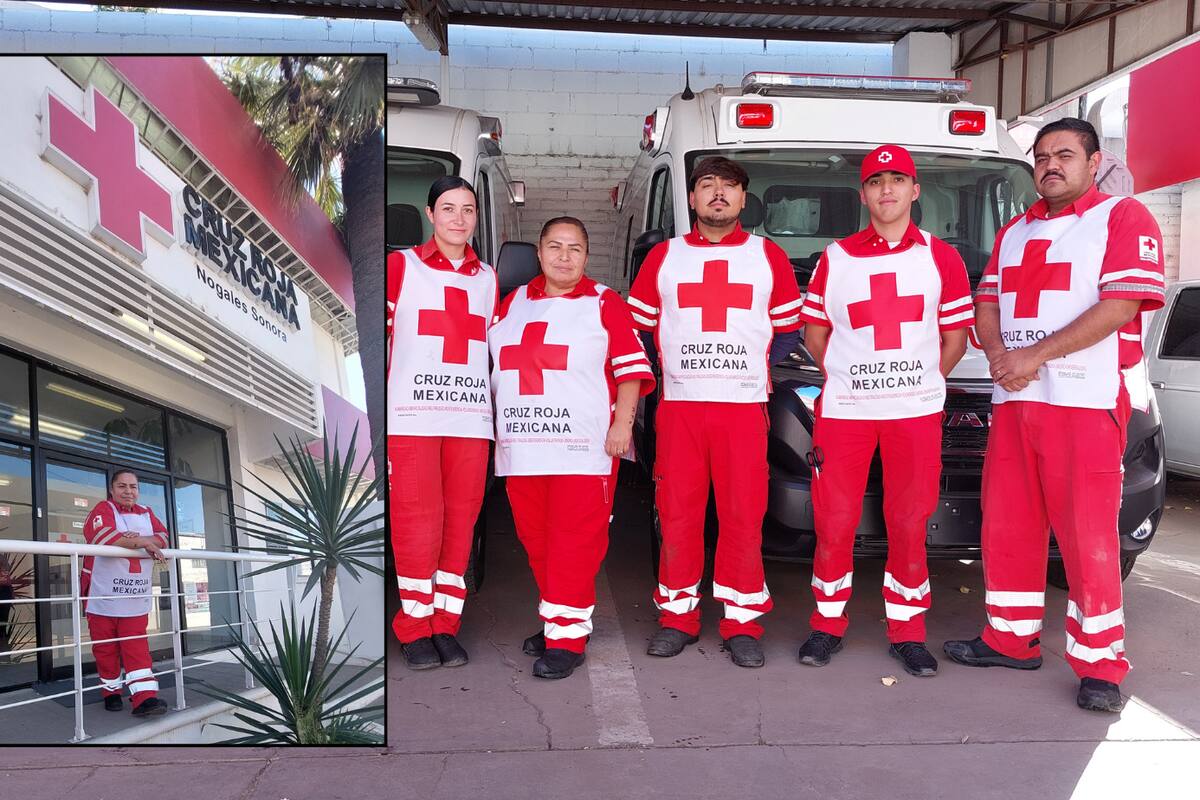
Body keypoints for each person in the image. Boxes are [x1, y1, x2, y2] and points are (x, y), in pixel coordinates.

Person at [944, 118, 1165, 712]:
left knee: (1089, 539)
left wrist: (1031, 357)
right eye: (1042, 156)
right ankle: (1010, 640)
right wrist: (998, 358)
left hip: (1084, 402)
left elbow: (1120, 304)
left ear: (1095, 163)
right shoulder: (1014, 230)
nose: (1050, 165)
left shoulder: (1122, 218)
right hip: (1017, 402)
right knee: (1008, 527)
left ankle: (1100, 666)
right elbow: (986, 303)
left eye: (1065, 154)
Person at [795, 145, 973, 677]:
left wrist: (916, 383)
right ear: (864, 194)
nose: (887, 190)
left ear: (915, 191)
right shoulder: (837, 257)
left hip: (913, 413)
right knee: (836, 520)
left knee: (909, 520)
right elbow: (815, 333)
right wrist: (853, 378)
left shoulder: (942, 257)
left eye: (898, 180)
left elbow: (956, 340)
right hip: (846, 411)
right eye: (877, 182)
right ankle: (826, 626)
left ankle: (908, 632)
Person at [627, 156, 803, 668]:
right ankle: (677, 619)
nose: (719, 194)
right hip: (680, 408)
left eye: (730, 186)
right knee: (678, 514)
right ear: (691, 198)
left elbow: (787, 330)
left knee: (743, 517)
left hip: (743, 409)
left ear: (745, 199)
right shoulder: (664, 256)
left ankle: (741, 621)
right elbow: (640, 330)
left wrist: (749, 370)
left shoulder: (768, 256)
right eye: (708, 185)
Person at [491, 217, 654, 679]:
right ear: (539, 254)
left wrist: (622, 425)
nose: (565, 257)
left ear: (587, 256)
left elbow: (630, 372)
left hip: (582, 449)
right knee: (537, 541)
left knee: (575, 544)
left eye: (575, 248)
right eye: (555, 247)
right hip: (523, 449)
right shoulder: (512, 303)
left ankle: (567, 638)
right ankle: (557, 616)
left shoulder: (605, 303)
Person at [388, 176, 498, 670]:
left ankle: (445, 624)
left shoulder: (489, 278)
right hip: (412, 416)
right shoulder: (400, 267)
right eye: (448, 208)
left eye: (468, 210)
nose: (459, 218)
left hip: (471, 419)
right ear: (430, 215)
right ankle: (414, 625)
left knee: (460, 524)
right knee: (417, 522)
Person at [81, 469, 170, 717]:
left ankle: (144, 698)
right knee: (105, 648)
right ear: (112, 489)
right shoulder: (103, 508)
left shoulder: (147, 512)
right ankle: (111, 692)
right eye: (122, 486)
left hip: (133, 595)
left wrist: (138, 539)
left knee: (136, 647)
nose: (128, 491)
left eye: (133, 486)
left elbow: (163, 536)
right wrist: (143, 542)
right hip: (102, 594)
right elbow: (101, 535)